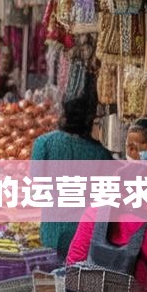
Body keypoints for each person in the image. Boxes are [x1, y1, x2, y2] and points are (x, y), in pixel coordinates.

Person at [31, 88, 113, 257]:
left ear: (64, 116)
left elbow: (36, 181)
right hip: (85, 234)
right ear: (90, 121)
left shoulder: (43, 143)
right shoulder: (101, 154)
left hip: (53, 231)